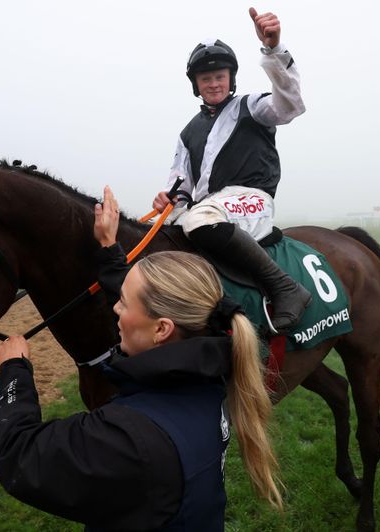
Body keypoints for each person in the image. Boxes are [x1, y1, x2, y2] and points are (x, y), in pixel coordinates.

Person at [0, 186, 281, 530]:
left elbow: (20, 456)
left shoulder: (128, 438)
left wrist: (14, 371)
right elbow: (144, 300)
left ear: (161, 330)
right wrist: (110, 247)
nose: (114, 308)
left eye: (123, 304)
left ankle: (285, 286)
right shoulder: (208, 375)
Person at [153, 7, 310, 333]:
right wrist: (170, 199)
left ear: (231, 78)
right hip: (213, 208)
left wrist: (274, 49)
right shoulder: (188, 133)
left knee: (198, 218)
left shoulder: (251, 107)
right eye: (206, 78)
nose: (213, 83)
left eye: (220, 76)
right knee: (168, 231)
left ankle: (285, 288)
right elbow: (181, 185)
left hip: (250, 200)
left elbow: (291, 105)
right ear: (196, 84)